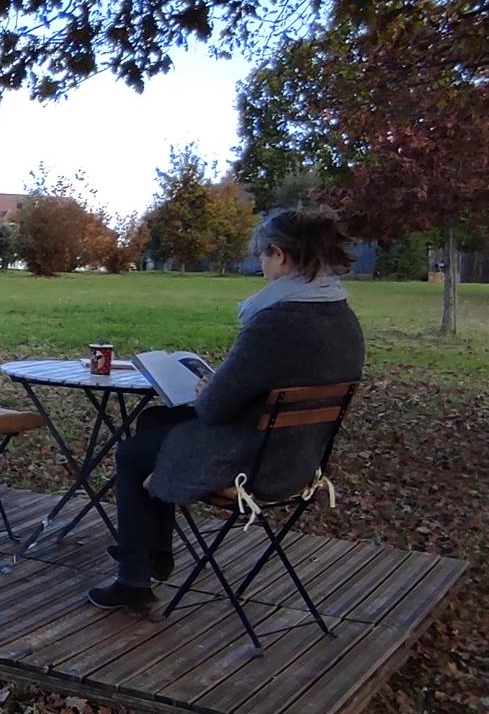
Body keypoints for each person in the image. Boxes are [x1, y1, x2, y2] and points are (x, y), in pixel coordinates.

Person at [86, 205, 365, 612]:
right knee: (154, 421)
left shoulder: (277, 321)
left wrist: (208, 388)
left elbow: (215, 409)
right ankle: (153, 549)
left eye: (262, 257)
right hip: (299, 455)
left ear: (279, 254)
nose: (261, 265)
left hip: (252, 460)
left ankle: (133, 579)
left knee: (132, 453)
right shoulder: (342, 315)